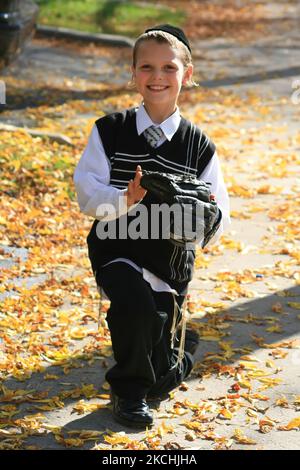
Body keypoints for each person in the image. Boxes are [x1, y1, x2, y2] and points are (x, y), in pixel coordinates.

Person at [73, 24, 231, 429]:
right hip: (118, 246)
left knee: (162, 377)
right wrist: (125, 198)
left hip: (168, 261)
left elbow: (220, 211)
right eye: (146, 67)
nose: (157, 76)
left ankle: (177, 352)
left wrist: (199, 220)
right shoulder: (109, 130)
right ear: (133, 74)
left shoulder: (200, 145)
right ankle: (127, 393)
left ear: (187, 74)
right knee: (134, 309)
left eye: (168, 67)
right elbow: (87, 193)